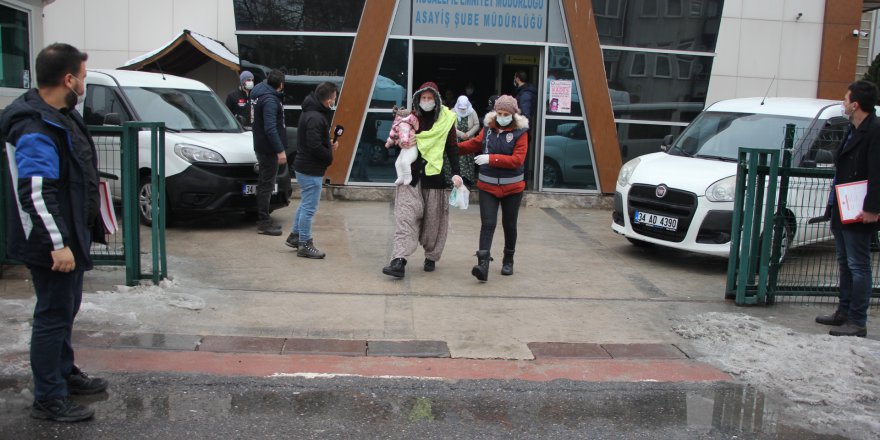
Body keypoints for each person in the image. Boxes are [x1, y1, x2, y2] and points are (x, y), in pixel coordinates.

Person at [0, 43, 109, 422]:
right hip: (51, 243)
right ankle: (49, 397)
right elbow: (35, 192)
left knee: (65, 310)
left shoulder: (60, 115)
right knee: (52, 315)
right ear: (68, 79)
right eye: (81, 76)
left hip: (69, 234)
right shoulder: (35, 126)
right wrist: (58, 244)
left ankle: (63, 374)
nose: (83, 83)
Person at [815, 80, 880, 337]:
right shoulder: (854, 129)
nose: (842, 104)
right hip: (843, 206)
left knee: (858, 264)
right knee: (844, 262)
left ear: (855, 105)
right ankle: (843, 311)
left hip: (859, 209)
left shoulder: (874, 131)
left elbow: (877, 173)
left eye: (845, 100)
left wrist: (872, 208)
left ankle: (857, 320)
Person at [382, 81, 463, 278]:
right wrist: (400, 143)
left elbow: (452, 147)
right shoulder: (410, 118)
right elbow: (394, 139)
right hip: (411, 175)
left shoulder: (446, 120)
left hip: (434, 177)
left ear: (436, 100)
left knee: (433, 223)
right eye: (423, 98)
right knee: (405, 218)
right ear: (417, 99)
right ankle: (399, 260)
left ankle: (431, 256)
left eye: (430, 98)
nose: (426, 101)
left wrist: (457, 173)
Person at [457, 95, 528, 282]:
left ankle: (508, 260)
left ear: (513, 115)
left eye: (506, 114)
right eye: (499, 113)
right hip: (488, 186)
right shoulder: (488, 129)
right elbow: (473, 144)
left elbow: (517, 160)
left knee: (509, 224)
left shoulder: (521, 133)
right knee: (487, 225)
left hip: (512, 188)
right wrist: (452, 148)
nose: (502, 116)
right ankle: (483, 265)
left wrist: (491, 158)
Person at [285, 81, 338, 258]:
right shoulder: (315, 117)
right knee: (309, 207)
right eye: (334, 97)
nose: (335, 100)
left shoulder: (312, 113)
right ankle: (305, 244)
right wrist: (329, 152)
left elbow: (314, 141)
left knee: (305, 203)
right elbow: (314, 146)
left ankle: (295, 235)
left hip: (305, 166)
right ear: (329, 99)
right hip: (310, 168)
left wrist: (327, 144)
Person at [250, 69, 287, 236]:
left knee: (265, 183)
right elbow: (270, 128)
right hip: (268, 149)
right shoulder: (270, 100)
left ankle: (264, 219)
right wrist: (280, 150)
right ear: (280, 84)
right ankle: (264, 222)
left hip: (262, 146)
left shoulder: (261, 95)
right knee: (266, 184)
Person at [384, 107, 420, 185]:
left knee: (405, 161)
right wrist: (389, 142)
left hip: (411, 148)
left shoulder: (407, 125)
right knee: (397, 163)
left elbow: (405, 134)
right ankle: (400, 177)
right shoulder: (397, 126)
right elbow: (393, 135)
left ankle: (408, 176)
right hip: (404, 149)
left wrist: (403, 141)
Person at [453, 95, 480, 186]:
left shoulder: (472, 112)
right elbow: (450, 126)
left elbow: (476, 125)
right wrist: (461, 134)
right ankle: (455, 181)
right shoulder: (453, 112)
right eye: (461, 108)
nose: (463, 110)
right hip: (456, 140)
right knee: (456, 160)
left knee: (468, 161)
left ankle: (468, 180)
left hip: (469, 140)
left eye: (464, 108)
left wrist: (468, 134)